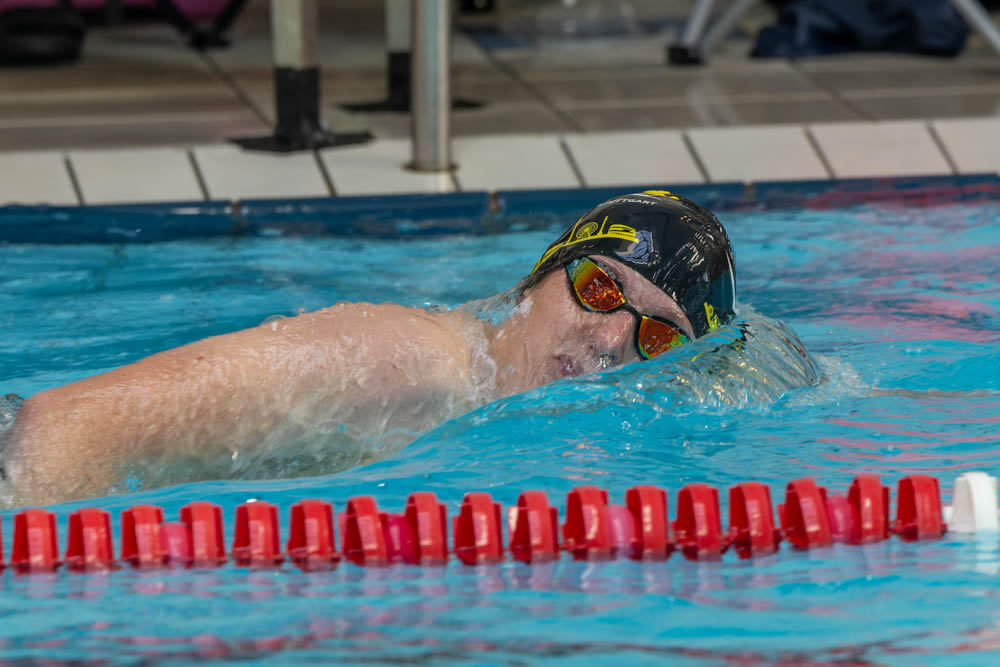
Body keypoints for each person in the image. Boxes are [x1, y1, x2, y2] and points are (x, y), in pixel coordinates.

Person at [0, 190, 736, 506]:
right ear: (542, 276)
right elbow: (64, 426)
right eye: (600, 288)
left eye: (656, 333)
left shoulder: (525, 424)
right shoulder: (398, 362)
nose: (609, 339)